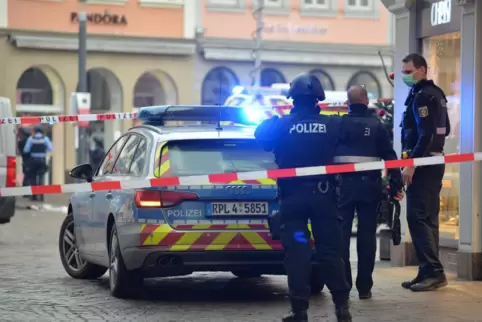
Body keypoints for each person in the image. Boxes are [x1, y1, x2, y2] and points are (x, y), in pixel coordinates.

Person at [255, 72, 352, 322]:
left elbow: (260, 135)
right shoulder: (333, 124)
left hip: (293, 199)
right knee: (330, 251)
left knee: (298, 253)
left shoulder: (282, 125)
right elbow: (350, 137)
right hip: (324, 198)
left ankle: (300, 311)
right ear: (318, 98)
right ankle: (342, 307)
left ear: (293, 98)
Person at [333, 85, 404, 300]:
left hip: (341, 188)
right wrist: (396, 186)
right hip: (369, 188)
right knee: (366, 237)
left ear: (348, 103)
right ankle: (364, 286)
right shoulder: (377, 126)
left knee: (341, 237)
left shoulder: (337, 124)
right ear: (366, 101)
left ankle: (343, 284)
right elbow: (391, 158)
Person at [400, 53, 450, 292]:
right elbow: (445, 128)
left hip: (424, 165)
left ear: (422, 69)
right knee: (427, 218)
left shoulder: (422, 97)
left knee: (417, 217)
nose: (405, 77)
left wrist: (411, 163)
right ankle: (427, 271)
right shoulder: (437, 94)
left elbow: (426, 135)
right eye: (403, 72)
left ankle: (434, 272)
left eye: (408, 72)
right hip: (434, 162)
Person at [23, 125, 53, 202]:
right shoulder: (45, 139)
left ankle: (34, 196)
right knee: (41, 177)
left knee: (33, 178)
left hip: (33, 160)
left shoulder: (31, 139)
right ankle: (41, 196)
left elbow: (26, 150)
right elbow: (50, 148)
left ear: (35, 131)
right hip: (42, 160)